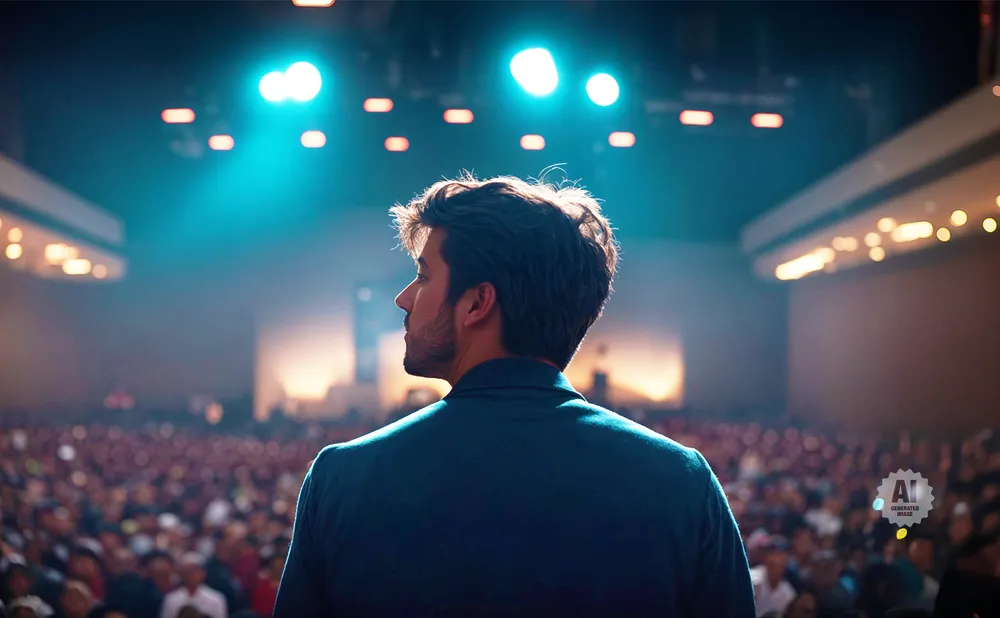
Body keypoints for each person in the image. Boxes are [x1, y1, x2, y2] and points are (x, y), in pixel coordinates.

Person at [273, 174, 755, 617]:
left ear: (477, 303)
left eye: (422, 276)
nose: (403, 298)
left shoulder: (344, 479)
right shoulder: (680, 483)